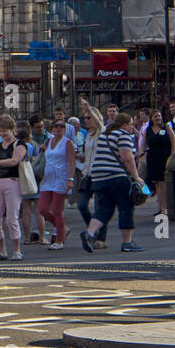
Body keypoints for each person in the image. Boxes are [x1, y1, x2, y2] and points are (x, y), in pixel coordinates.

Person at [81, 111, 147, 253]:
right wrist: (137, 178)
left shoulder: (104, 135)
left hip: (99, 178)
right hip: (116, 177)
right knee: (125, 208)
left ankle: (89, 233)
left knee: (104, 209)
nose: (132, 127)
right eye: (130, 125)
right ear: (124, 125)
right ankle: (127, 242)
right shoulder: (123, 135)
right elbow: (127, 158)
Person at [0, 114, 27, 261]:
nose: (2, 134)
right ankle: (2, 250)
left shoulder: (19, 144)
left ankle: (17, 250)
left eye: (5, 131)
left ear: (12, 129)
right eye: (0, 131)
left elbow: (14, 161)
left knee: (11, 219)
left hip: (13, 181)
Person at [38, 118, 75, 250]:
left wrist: (70, 179)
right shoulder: (48, 141)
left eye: (62, 126)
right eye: (56, 126)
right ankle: (62, 228)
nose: (59, 128)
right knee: (42, 209)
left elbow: (71, 162)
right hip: (48, 178)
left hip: (61, 178)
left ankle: (60, 240)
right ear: (52, 128)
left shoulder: (67, 143)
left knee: (57, 209)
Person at [76, 104, 109, 249]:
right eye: (85, 118)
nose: (86, 120)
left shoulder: (102, 132)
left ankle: (101, 238)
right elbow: (88, 154)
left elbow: (100, 123)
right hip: (87, 175)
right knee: (82, 205)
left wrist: (88, 107)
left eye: (89, 117)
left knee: (99, 207)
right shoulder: (87, 134)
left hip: (100, 174)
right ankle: (92, 230)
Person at [137, 107, 170, 219]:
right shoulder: (148, 130)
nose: (158, 118)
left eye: (159, 116)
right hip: (152, 157)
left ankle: (164, 208)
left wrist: (173, 154)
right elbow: (143, 143)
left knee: (163, 183)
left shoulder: (166, 127)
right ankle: (160, 208)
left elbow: (173, 140)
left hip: (164, 156)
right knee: (156, 183)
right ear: (152, 118)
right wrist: (140, 153)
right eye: (155, 116)